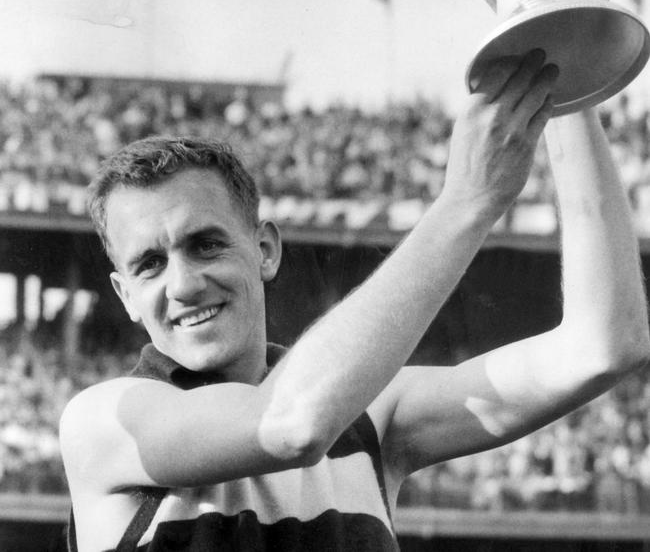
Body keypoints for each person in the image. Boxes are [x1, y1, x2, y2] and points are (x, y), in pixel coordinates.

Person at [59, 29, 650, 550]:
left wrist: (569, 68)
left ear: (265, 249)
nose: (183, 283)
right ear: (124, 295)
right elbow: (291, 425)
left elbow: (602, 347)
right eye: (150, 265)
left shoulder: (371, 418)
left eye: (207, 244)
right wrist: (465, 204)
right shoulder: (102, 422)